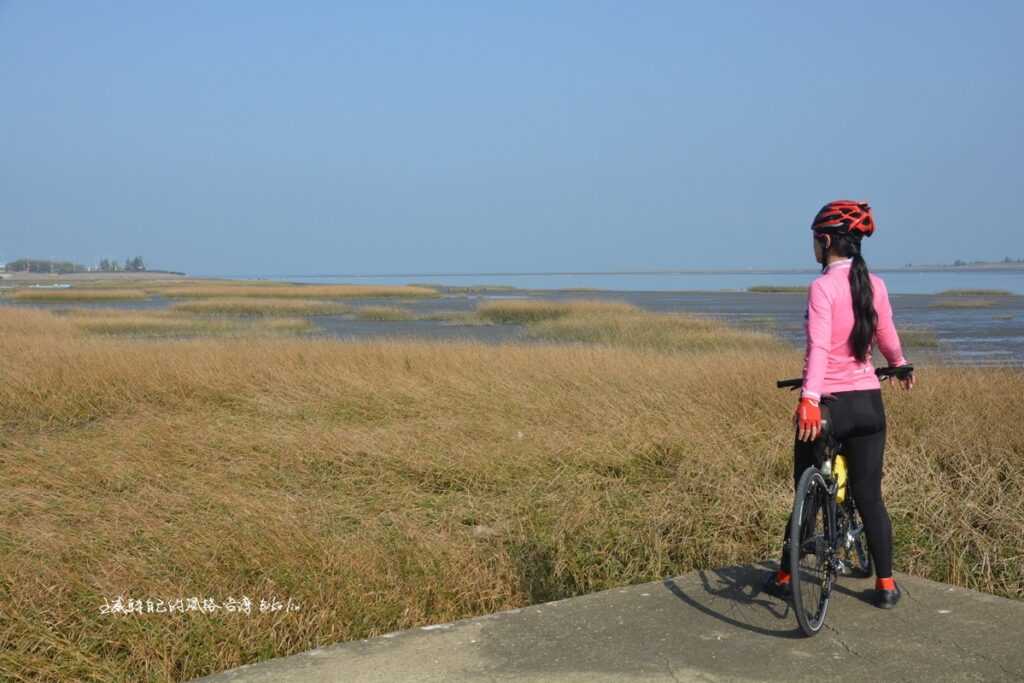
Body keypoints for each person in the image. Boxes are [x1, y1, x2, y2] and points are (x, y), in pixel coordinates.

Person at [764, 200, 914, 609]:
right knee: (870, 497)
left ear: (826, 241)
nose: (813, 245)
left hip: (829, 406)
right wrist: (899, 365)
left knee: (806, 496)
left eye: (815, 239)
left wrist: (809, 399)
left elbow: (818, 350)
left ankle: (784, 576)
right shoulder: (875, 285)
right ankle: (885, 586)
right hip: (868, 404)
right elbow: (888, 338)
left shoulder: (822, 287)